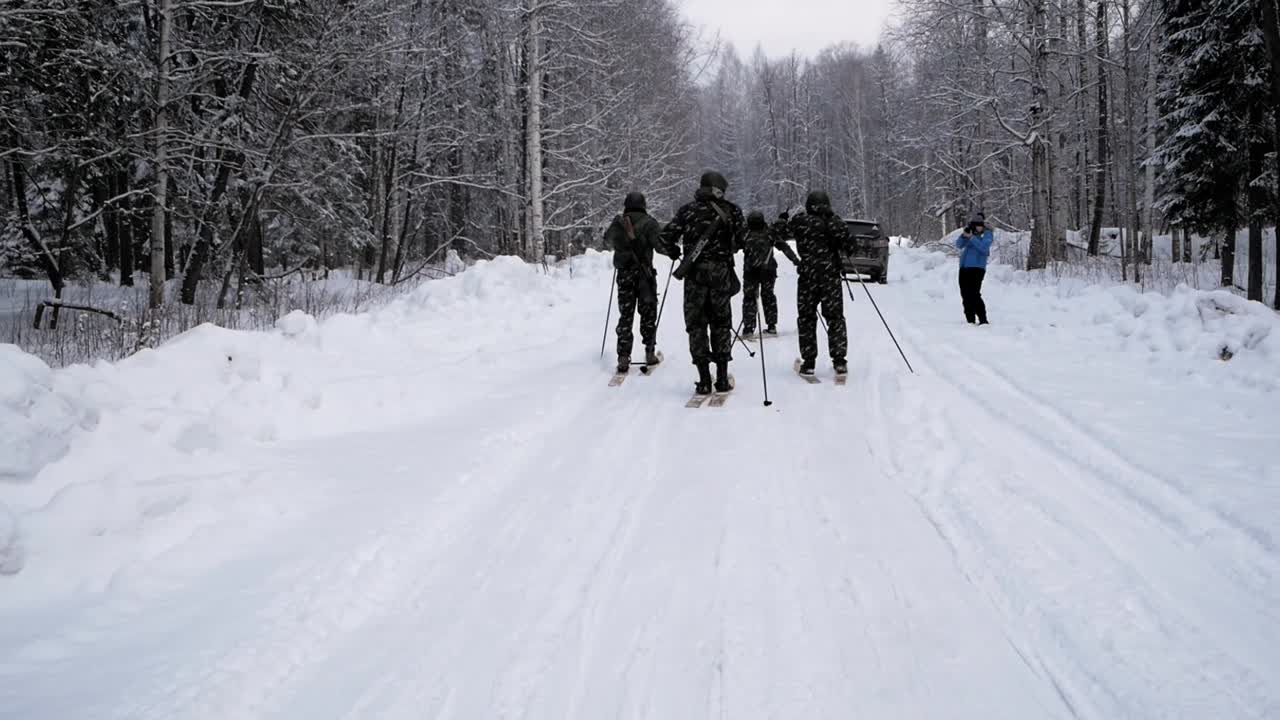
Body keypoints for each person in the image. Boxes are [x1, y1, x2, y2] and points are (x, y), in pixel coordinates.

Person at [658, 171, 746, 395]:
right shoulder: (732, 210)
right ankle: (722, 378)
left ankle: (704, 380)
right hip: (721, 274)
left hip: (694, 275)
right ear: (719, 189)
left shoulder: (687, 210)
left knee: (696, 325)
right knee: (721, 323)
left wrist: (674, 252)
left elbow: (664, 238)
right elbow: (745, 239)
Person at [789, 190, 853, 377]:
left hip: (807, 279)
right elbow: (851, 247)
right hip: (830, 278)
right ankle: (839, 361)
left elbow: (779, 231)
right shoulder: (835, 223)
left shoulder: (800, 222)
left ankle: (809, 363)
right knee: (835, 319)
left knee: (806, 319)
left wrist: (785, 217)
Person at [605, 192, 663, 372]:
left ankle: (623, 356)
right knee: (648, 314)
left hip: (624, 275)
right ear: (643, 205)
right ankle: (649, 352)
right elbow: (660, 246)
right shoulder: (650, 223)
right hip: (645, 275)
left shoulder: (618, 222)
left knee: (626, 315)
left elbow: (607, 241)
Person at [741, 210, 800, 337]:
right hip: (768, 270)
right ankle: (771, 326)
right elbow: (784, 247)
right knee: (768, 297)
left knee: (749, 298)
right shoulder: (770, 233)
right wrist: (796, 260)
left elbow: (733, 246)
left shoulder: (745, 233)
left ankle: (748, 328)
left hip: (750, 271)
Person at [955, 212, 993, 325]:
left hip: (977, 268)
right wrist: (964, 235)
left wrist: (972, 238)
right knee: (965, 294)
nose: (977, 227)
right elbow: (959, 245)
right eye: (975, 225)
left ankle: (983, 319)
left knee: (974, 294)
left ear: (983, 225)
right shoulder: (970, 233)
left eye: (979, 225)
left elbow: (984, 248)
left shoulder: (987, 234)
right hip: (964, 267)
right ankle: (970, 320)